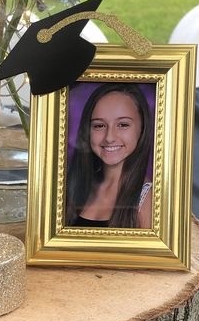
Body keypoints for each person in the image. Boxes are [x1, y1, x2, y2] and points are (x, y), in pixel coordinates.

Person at [65, 82, 153, 229]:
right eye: (99, 125)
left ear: (142, 128)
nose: (109, 137)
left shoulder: (147, 199)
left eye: (123, 124)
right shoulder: (74, 185)